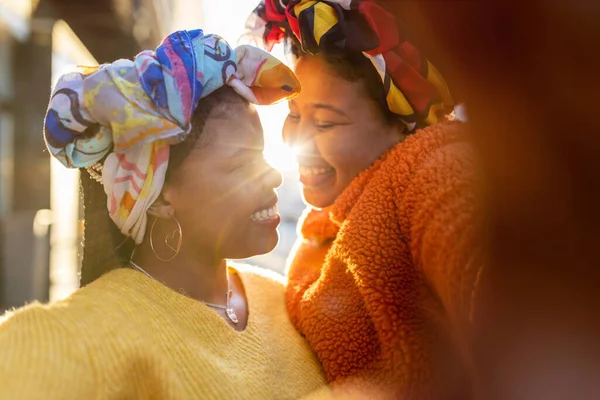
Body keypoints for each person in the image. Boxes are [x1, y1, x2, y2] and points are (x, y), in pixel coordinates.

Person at [0, 29, 329, 399]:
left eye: (263, 156)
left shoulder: (287, 301)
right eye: (241, 163)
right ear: (154, 197)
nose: (271, 175)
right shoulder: (60, 345)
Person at [243, 1, 481, 397]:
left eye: (325, 122)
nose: (297, 139)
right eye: (294, 113)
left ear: (400, 121)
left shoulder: (432, 169)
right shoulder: (327, 220)